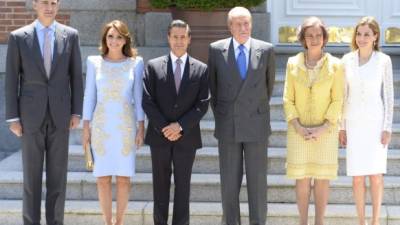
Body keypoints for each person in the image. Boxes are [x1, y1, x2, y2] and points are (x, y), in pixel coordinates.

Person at [4, 0, 83, 224]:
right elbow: (11, 79)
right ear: (35, 5)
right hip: (30, 118)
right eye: (44, 2)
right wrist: (13, 117)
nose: (49, 7)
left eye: (53, 2)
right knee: (31, 178)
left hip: (61, 116)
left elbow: (76, 76)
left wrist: (76, 112)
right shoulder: (19, 37)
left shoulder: (71, 35)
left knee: (58, 178)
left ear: (57, 6)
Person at [208, 6, 275, 225]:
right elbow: (214, 89)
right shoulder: (216, 50)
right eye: (238, 24)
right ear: (229, 27)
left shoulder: (266, 49)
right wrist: (225, 116)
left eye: (246, 23)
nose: (243, 27)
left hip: (256, 124)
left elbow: (268, 86)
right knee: (229, 184)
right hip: (229, 125)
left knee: (257, 184)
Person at [142, 19, 209, 225]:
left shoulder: (201, 69)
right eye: (175, 37)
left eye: (183, 37)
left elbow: (203, 104)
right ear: (168, 38)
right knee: (160, 186)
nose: (179, 41)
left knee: (183, 187)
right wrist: (165, 127)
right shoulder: (153, 67)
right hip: (159, 136)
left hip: (186, 137)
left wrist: (179, 126)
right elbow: (147, 101)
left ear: (189, 39)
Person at [81, 20, 145, 225]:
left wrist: (141, 126)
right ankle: (107, 222)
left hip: (125, 126)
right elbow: (89, 95)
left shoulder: (136, 63)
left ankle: (120, 222)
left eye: (119, 36)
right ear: (104, 38)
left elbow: (139, 97)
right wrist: (85, 127)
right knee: (102, 178)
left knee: (124, 178)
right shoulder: (94, 62)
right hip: (101, 127)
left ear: (125, 39)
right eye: (110, 36)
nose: (114, 41)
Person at [283, 17, 344, 225]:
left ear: (325, 38)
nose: (315, 39)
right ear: (303, 39)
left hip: (325, 133)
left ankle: (319, 222)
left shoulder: (336, 65)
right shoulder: (292, 63)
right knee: (301, 180)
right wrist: (298, 126)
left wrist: (324, 127)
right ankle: (303, 222)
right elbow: (287, 99)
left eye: (319, 35)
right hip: (297, 131)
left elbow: (338, 100)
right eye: (310, 35)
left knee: (322, 180)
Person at [339, 16, 393, 225]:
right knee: (358, 177)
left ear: (375, 37)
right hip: (353, 123)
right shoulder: (346, 60)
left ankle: (375, 221)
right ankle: (361, 221)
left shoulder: (383, 60)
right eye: (359, 34)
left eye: (367, 34)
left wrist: (387, 127)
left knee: (376, 176)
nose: (362, 38)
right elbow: (343, 95)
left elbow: (388, 96)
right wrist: (341, 127)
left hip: (376, 123)